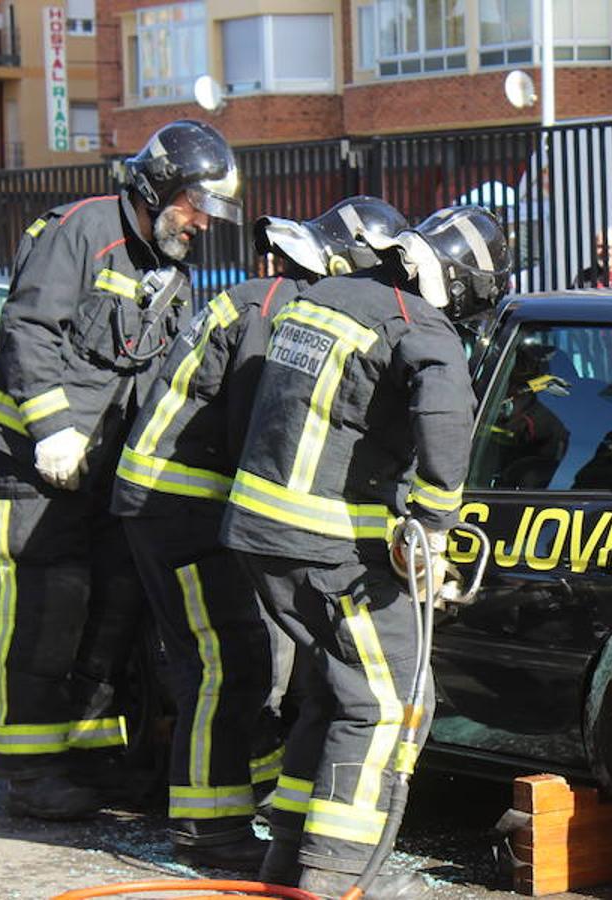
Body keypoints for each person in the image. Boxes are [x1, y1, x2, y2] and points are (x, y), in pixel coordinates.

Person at [219, 205, 511, 898]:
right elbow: (442, 415)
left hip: (262, 533)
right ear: (458, 280)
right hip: (330, 548)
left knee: (334, 688)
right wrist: (435, 521)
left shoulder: (325, 298)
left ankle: (287, 857)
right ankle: (340, 876)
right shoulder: (418, 322)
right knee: (390, 702)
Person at [109, 197, 409, 869]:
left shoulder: (265, 298)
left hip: (180, 504)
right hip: (178, 507)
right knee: (224, 663)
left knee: (232, 661)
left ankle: (233, 813)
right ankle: (208, 832)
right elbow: (270, 437)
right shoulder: (283, 313)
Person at [0, 120, 242, 820]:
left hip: (103, 472)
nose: (202, 222)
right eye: (194, 205)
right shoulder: (83, 231)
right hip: (34, 462)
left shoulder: (170, 269)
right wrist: (52, 430)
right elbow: (28, 330)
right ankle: (29, 772)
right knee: (46, 611)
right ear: (158, 187)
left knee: (109, 612)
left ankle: (89, 756)